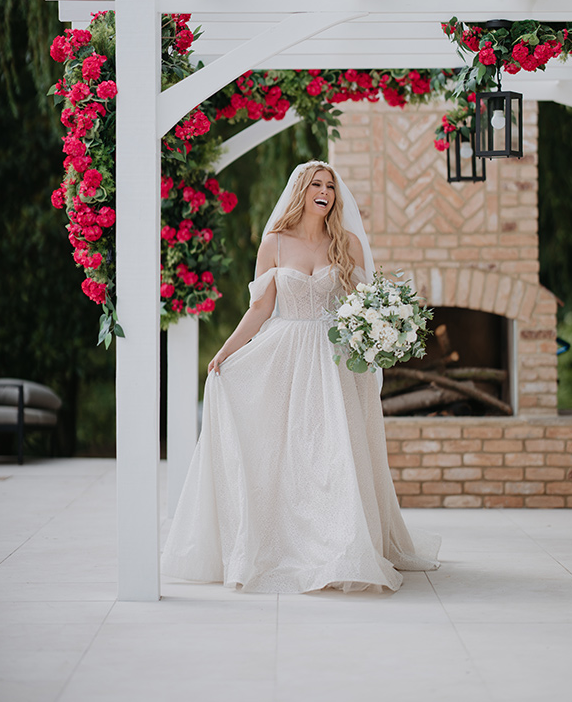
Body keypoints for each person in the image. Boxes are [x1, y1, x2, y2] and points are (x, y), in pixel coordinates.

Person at [161, 161, 440, 593]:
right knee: (288, 452)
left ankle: (340, 548)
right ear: (300, 191)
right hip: (285, 355)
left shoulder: (347, 244)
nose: (324, 191)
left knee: (334, 453)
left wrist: (382, 333)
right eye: (316, 184)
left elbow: (364, 307)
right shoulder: (273, 243)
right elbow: (259, 310)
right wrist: (224, 352)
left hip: (335, 362)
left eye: (330, 185)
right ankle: (291, 545)